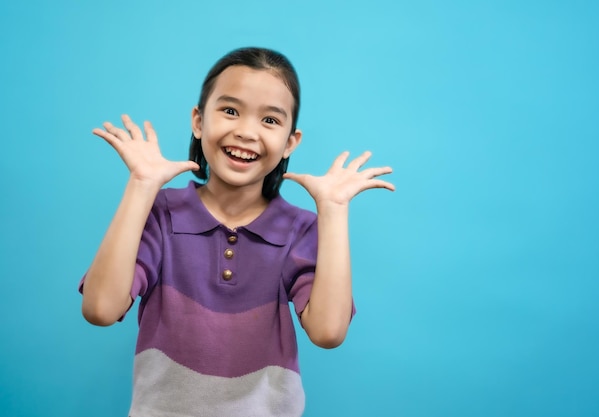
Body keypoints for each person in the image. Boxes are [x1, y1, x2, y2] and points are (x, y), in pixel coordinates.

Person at [79, 47, 395, 417]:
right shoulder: (161, 214)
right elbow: (100, 309)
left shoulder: (300, 230)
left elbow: (328, 332)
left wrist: (334, 210)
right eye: (230, 111)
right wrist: (141, 185)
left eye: (270, 120)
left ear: (290, 142)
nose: (246, 132)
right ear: (198, 121)